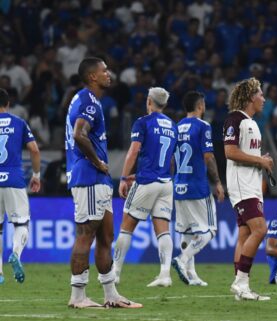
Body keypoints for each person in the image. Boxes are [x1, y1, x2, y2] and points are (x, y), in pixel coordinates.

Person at [65, 57, 141, 308]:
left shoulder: (90, 100)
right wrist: (98, 162)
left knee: (106, 236)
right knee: (85, 234)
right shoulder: (87, 101)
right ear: (92, 77)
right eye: (104, 70)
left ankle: (110, 295)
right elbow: (79, 134)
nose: (109, 74)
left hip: (99, 179)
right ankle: (78, 296)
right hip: (89, 176)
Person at [113, 87, 177, 288]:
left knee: (127, 225)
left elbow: (133, 152)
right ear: (164, 104)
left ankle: (114, 273)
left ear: (149, 101)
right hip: (166, 182)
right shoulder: (173, 125)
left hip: (147, 182)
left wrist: (124, 178)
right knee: (163, 230)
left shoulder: (143, 122)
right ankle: (165, 274)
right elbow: (172, 160)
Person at [223, 77, 274, 301]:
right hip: (242, 187)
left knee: (244, 234)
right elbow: (230, 152)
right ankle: (240, 282)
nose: (264, 98)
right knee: (260, 230)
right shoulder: (235, 119)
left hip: (251, 186)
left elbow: (245, 153)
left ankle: (242, 289)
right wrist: (259, 162)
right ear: (252, 97)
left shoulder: (251, 123)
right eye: (261, 94)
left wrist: (259, 159)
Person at [171, 91, 225, 286]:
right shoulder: (203, 126)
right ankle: (182, 260)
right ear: (201, 106)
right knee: (209, 230)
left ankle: (191, 275)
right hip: (198, 186)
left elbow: (170, 159)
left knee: (186, 232)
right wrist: (218, 182)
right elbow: (208, 156)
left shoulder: (176, 127)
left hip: (179, 185)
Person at [0, 88, 41, 284]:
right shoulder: (19, 123)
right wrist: (36, 175)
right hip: (14, 179)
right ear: (8, 104)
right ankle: (16, 253)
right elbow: (33, 149)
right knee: (21, 223)